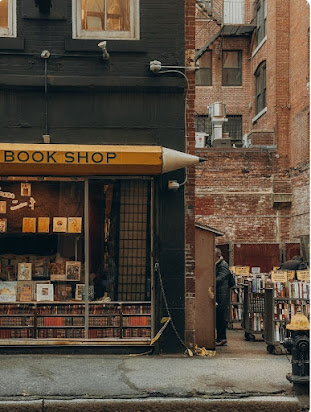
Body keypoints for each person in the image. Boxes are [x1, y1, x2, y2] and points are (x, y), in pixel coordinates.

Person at [215, 248, 230, 346]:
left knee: (221, 317)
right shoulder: (220, 264)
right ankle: (220, 337)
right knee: (219, 317)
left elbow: (221, 277)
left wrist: (210, 281)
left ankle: (222, 338)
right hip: (221, 294)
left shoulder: (223, 265)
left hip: (222, 294)